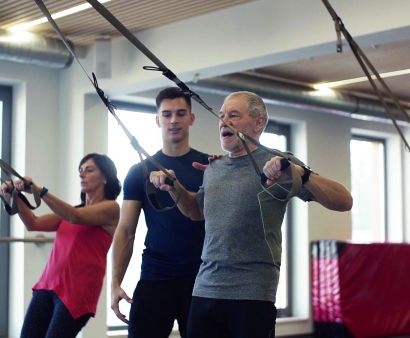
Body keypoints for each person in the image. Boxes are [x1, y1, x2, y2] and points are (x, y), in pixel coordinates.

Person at [150, 91, 353, 338]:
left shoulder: (279, 164)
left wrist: (301, 173)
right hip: (206, 288)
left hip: (252, 291)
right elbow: (196, 212)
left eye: (234, 115)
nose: (224, 122)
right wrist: (174, 187)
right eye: (222, 115)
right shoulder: (214, 167)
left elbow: (344, 201)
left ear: (258, 123)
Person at [111, 87, 210, 337]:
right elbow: (125, 230)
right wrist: (115, 282)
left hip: (203, 280)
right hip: (156, 276)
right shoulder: (139, 172)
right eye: (166, 114)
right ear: (158, 120)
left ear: (192, 118)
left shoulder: (209, 167)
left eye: (180, 113)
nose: (173, 120)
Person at [0, 153, 121, 338]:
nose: (81, 174)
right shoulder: (75, 210)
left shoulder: (111, 209)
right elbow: (34, 223)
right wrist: (14, 195)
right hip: (47, 285)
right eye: (80, 170)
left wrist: (37, 190)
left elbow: (75, 217)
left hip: (77, 292)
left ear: (105, 177)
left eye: (89, 170)